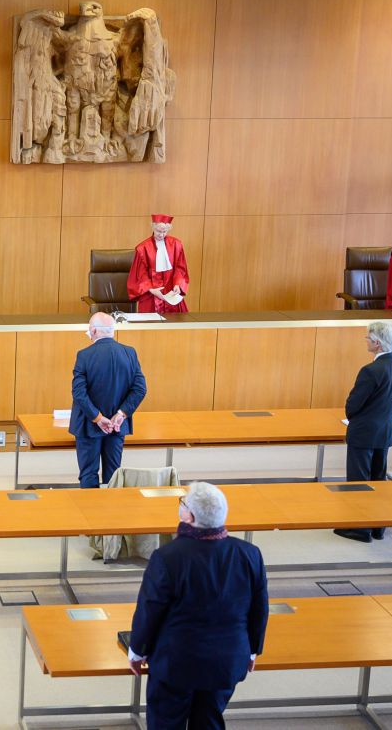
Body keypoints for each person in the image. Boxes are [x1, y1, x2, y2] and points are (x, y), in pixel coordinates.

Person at [128, 482, 268, 730]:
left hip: (176, 662)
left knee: (166, 722)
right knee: (210, 720)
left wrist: (137, 650)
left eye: (182, 504)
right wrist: (251, 650)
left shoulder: (168, 557)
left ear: (189, 516)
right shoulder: (250, 553)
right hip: (227, 660)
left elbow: (150, 609)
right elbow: (259, 610)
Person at [336, 321, 392, 543]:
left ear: (377, 343)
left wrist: (352, 414)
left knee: (359, 481)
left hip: (364, 432)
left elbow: (353, 405)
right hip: (385, 429)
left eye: (367, 338)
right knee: (378, 478)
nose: (366, 341)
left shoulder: (370, 371)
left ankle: (360, 528)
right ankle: (378, 527)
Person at [69, 312, 147, 488]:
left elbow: (79, 393)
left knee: (88, 474)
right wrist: (121, 414)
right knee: (114, 475)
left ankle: (89, 513)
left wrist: (97, 418)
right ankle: (113, 512)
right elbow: (140, 389)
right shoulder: (129, 353)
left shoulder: (84, 355)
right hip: (117, 425)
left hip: (88, 425)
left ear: (94, 330)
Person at [127, 213, 189, 314]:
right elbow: (141, 274)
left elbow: (180, 268)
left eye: (164, 231)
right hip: (151, 294)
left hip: (171, 292)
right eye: (158, 231)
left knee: (176, 324)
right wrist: (151, 289)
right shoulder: (142, 248)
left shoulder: (177, 245)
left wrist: (178, 284)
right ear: (153, 227)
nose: (161, 234)